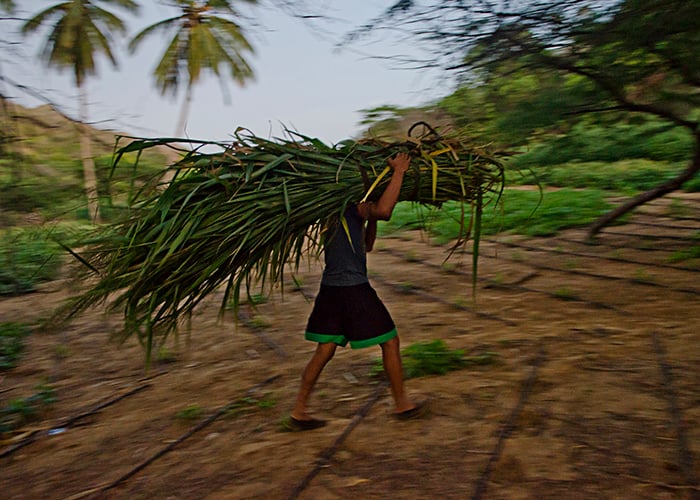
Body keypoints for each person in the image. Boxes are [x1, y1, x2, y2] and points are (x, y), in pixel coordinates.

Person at [289, 152, 427, 431]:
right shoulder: (350, 205)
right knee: (390, 341)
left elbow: (367, 245)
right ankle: (402, 404)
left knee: (325, 349)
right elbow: (386, 212)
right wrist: (398, 171)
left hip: (332, 289)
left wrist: (370, 216)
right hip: (352, 290)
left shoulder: (333, 211)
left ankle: (299, 410)